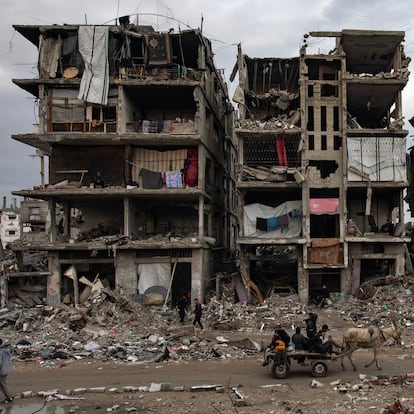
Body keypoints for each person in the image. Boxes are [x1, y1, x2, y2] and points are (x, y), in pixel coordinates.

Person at [0, 339, 13, 403]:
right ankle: (8, 396)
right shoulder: (6, 350)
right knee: (3, 384)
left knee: (3, 384)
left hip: (1, 370)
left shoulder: (0, 351)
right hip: (6, 369)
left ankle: (8, 397)